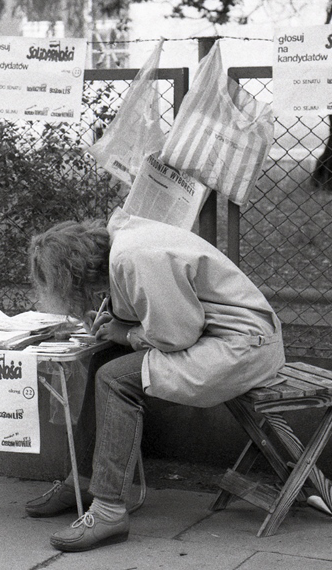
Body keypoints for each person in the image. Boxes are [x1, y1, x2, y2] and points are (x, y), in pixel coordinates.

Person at [25, 207, 285, 552]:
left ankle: (108, 511)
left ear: (76, 274)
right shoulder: (123, 245)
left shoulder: (135, 257)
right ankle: (84, 482)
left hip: (241, 349)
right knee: (104, 357)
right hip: (226, 338)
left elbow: (177, 336)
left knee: (115, 379)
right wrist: (116, 324)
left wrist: (127, 334)